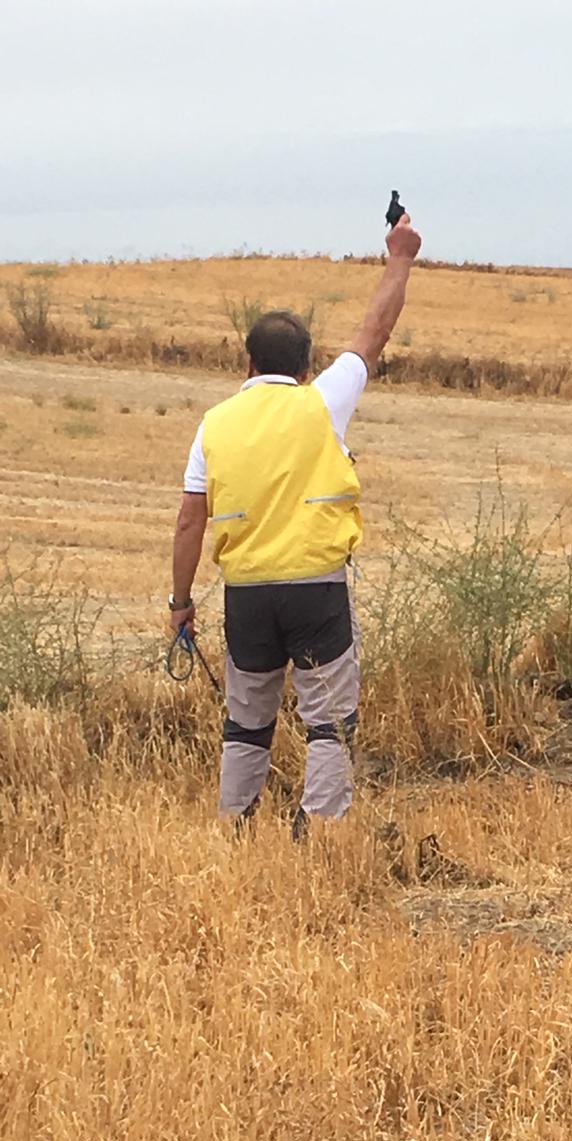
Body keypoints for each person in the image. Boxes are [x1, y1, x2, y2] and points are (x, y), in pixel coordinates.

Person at [168, 210, 422, 833]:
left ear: (247, 362)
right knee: (328, 719)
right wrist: (400, 257)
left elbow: (188, 522)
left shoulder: (214, 424)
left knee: (246, 720)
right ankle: (321, 830)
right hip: (316, 589)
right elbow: (375, 330)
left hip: (247, 594)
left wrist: (179, 604)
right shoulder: (323, 402)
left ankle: (235, 825)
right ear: (308, 365)